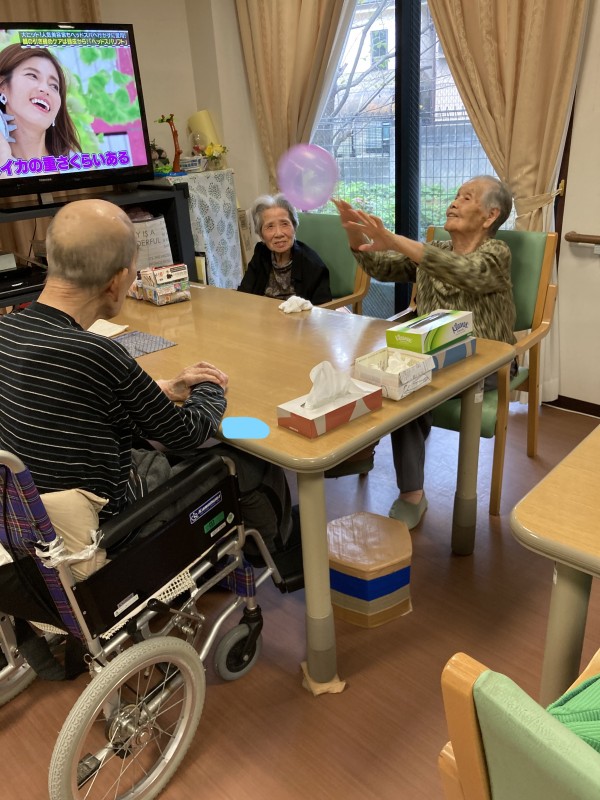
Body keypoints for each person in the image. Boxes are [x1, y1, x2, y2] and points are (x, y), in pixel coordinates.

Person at [0, 198, 297, 677]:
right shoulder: (98, 354)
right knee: (243, 461)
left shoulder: (8, 332)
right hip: (112, 523)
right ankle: (277, 554)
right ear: (118, 280)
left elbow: (74, 399)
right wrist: (208, 388)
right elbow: (187, 435)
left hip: (27, 527)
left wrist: (163, 387)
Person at [333, 175, 517, 529]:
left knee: (406, 383)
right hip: (433, 358)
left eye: (467, 197)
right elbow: (382, 266)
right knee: (391, 374)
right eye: (456, 195)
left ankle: (366, 448)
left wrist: (396, 240)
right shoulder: (437, 251)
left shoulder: (496, 254)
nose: (454, 202)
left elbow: (463, 272)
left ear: (490, 216)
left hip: (485, 364)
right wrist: (355, 235)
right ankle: (407, 488)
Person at [238, 193, 332, 304]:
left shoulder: (313, 265)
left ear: (294, 227)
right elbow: (243, 294)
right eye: (270, 226)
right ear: (261, 234)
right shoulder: (261, 253)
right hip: (262, 313)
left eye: (284, 224)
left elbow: (323, 309)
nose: (279, 234)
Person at [0, 43, 81, 164]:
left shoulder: (78, 165)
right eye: (32, 75)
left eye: (54, 86)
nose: (45, 89)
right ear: (2, 85)